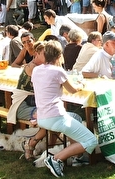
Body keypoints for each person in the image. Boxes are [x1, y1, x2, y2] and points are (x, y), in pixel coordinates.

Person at [32, 40, 98, 177]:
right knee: (91, 141)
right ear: (59, 55)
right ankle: (56, 159)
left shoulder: (36, 70)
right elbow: (72, 90)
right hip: (56, 117)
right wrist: (81, 85)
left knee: (75, 118)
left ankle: (77, 156)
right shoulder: (58, 71)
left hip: (42, 117)